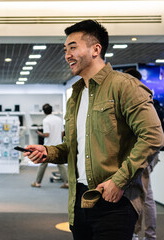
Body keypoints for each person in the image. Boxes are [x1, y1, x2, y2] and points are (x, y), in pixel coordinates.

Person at [24, 20, 164, 240]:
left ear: (95, 49)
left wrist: (118, 181)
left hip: (114, 200)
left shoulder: (124, 86)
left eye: (73, 47)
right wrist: (47, 152)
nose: (67, 55)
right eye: (65, 50)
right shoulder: (76, 95)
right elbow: (75, 147)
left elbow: (153, 136)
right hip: (79, 199)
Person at [124, 68, 160, 240]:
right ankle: (148, 235)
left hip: (141, 152)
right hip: (151, 154)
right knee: (147, 194)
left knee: (138, 194)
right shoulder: (149, 97)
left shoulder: (136, 96)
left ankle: (135, 233)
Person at [31, 103, 69, 189]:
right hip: (58, 145)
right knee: (61, 164)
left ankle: (37, 182)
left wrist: (39, 133)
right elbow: (62, 133)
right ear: (51, 110)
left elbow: (47, 134)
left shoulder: (46, 120)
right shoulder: (59, 119)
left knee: (43, 164)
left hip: (48, 147)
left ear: (44, 112)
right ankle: (67, 183)